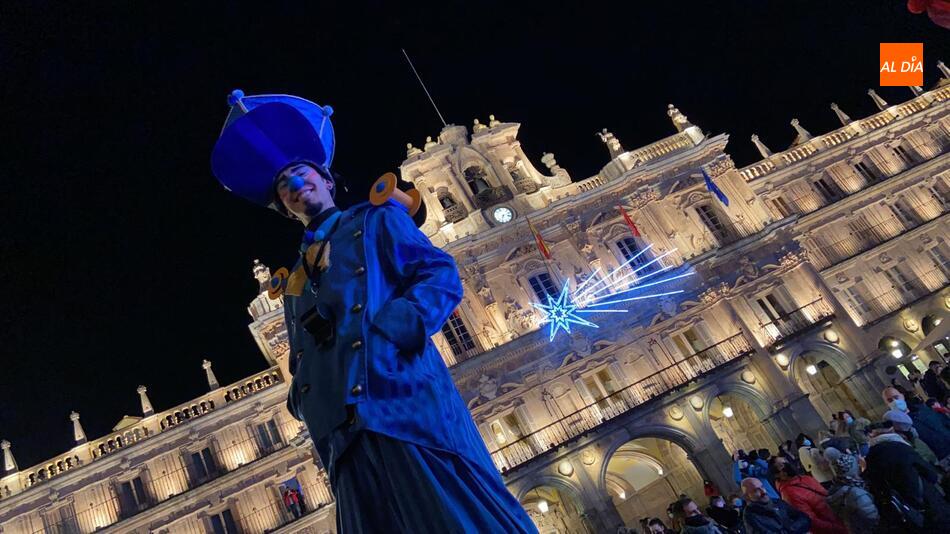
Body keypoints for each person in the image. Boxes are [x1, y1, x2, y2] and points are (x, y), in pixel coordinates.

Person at [211, 90, 537, 533]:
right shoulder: (293, 283)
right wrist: (304, 395)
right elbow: (300, 353)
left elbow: (439, 275)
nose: (292, 184)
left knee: (452, 517)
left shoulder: (375, 221)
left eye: (300, 171)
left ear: (327, 179)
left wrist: (389, 335)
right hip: (340, 436)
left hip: (398, 401)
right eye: (283, 184)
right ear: (284, 207)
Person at [863, 421, 950, 531]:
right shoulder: (900, 447)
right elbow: (931, 474)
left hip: (908, 508)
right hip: (926, 497)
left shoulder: (870, 459)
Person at [769, 456, 848, 534]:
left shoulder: (805, 478)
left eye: (786, 461)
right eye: (782, 465)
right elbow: (812, 522)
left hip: (844, 519)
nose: (787, 464)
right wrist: (842, 529)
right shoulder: (789, 494)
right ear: (777, 475)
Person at [882, 386, 950, 461]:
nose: (894, 401)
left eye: (896, 397)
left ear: (902, 396)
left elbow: (944, 422)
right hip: (941, 458)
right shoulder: (896, 425)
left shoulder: (923, 408)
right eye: (890, 400)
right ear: (887, 404)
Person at [824, 452, 878, 534]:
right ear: (853, 469)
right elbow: (872, 516)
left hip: (852, 528)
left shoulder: (834, 488)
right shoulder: (857, 493)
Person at [740, 477, 811, 534]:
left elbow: (804, 518)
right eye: (756, 490)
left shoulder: (777, 502)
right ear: (747, 496)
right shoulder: (750, 516)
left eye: (762, 487)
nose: (763, 492)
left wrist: (792, 529)